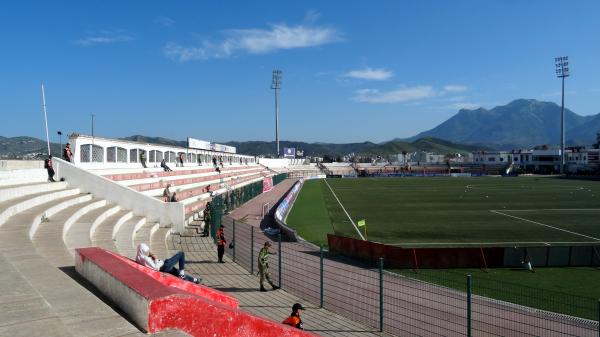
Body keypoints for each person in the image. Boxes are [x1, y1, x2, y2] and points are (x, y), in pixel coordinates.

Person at [135, 243, 200, 283]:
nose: (147, 252)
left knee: (177, 272)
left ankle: (194, 280)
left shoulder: (138, 257)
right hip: (164, 266)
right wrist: (155, 258)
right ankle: (182, 274)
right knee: (181, 254)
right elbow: (156, 267)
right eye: (146, 251)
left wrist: (150, 257)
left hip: (163, 266)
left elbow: (148, 262)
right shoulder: (145, 259)